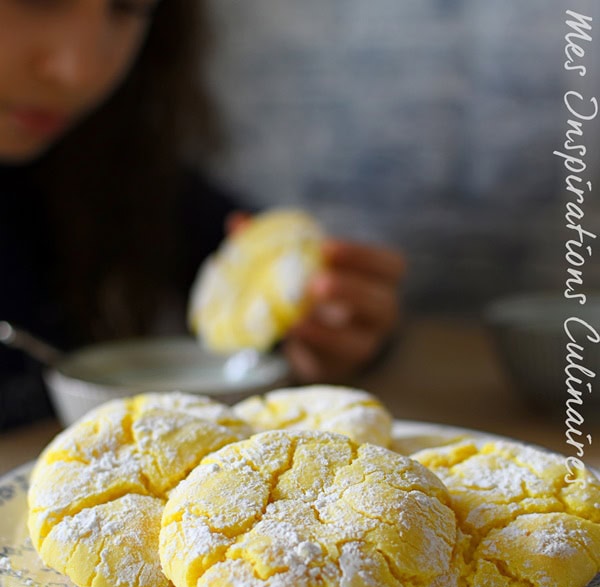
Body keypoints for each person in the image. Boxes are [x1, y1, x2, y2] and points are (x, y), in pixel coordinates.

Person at [0, 0, 404, 430]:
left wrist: (335, 323)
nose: (77, 70)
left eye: (129, 7)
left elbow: (268, 275)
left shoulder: (104, 165)